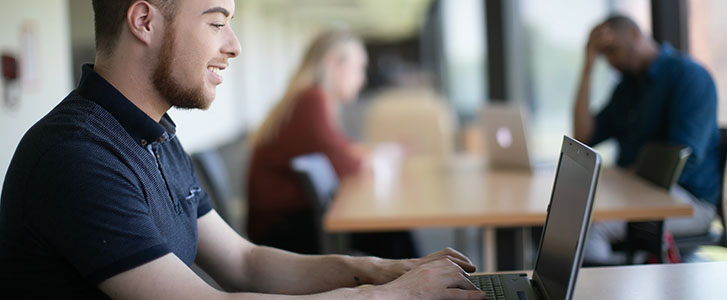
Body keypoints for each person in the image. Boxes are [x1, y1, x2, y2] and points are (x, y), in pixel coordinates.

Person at [0, 1, 487, 298]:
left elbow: (244, 263)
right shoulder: (75, 155)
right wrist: (395, 298)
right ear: (144, 21)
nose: (235, 45)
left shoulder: (156, 136)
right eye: (217, 23)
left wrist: (380, 271)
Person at [247, 30, 417, 258]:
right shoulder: (310, 100)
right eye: (358, 68)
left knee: (390, 229)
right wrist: (375, 157)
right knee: (394, 231)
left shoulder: (306, 98)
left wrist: (372, 153)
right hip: (280, 230)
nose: (362, 79)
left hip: (290, 219)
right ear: (334, 63)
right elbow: (346, 164)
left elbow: (340, 148)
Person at [573, 15, 722, 264]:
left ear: (634, 34)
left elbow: (680, 160)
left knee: (586, 228)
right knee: (570, 212)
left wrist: (626, 179)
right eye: (602, 55)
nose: (610, 61)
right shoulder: (626, 89)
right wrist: (587, 67)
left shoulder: (688, 76)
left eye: (612, 50)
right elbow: (583, 137)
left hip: (686, 200)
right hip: (636, 192)